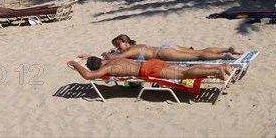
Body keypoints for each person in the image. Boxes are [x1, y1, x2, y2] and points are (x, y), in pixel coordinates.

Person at [68, 55, 234, 82]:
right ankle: (220, 66)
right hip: (151, 63)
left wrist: (76, 64)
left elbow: (89, 76)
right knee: (185, 68)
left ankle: (215, 71)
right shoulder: (113, 59)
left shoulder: (107, 68)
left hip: (148, 71)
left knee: (183, 73)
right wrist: (86, 56)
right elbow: (100, 57)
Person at [102, 34, 243, 61]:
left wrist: (107, 53)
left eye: (117, 45)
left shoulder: (131, 50)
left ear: (124, 43)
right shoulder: (137, 45)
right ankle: (227, 49)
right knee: (199, 51)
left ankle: (225, 56)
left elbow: (113, 59)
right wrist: (116, 50)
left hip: (163, 53)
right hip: (167, 46)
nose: (117, 48)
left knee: (198, 56)